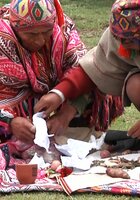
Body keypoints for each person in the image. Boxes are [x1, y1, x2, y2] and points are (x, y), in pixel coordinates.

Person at [0, 0, 93, 169]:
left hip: (57, 98)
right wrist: (9, 122)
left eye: (46, 32)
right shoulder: (2, 37)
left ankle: (66, 129)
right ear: (15, 29)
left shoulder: (63, 30)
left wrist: (65, 113)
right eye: (31, 34)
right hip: (8, 106)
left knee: (97, 81)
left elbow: (88, 71)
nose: (40, 40)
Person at [34, 0, 140, 140]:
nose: (123, 45)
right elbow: (95, 69)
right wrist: (59, 94)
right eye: (117, 38)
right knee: (136, 85)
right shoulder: (122, 33)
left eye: (129, 41)